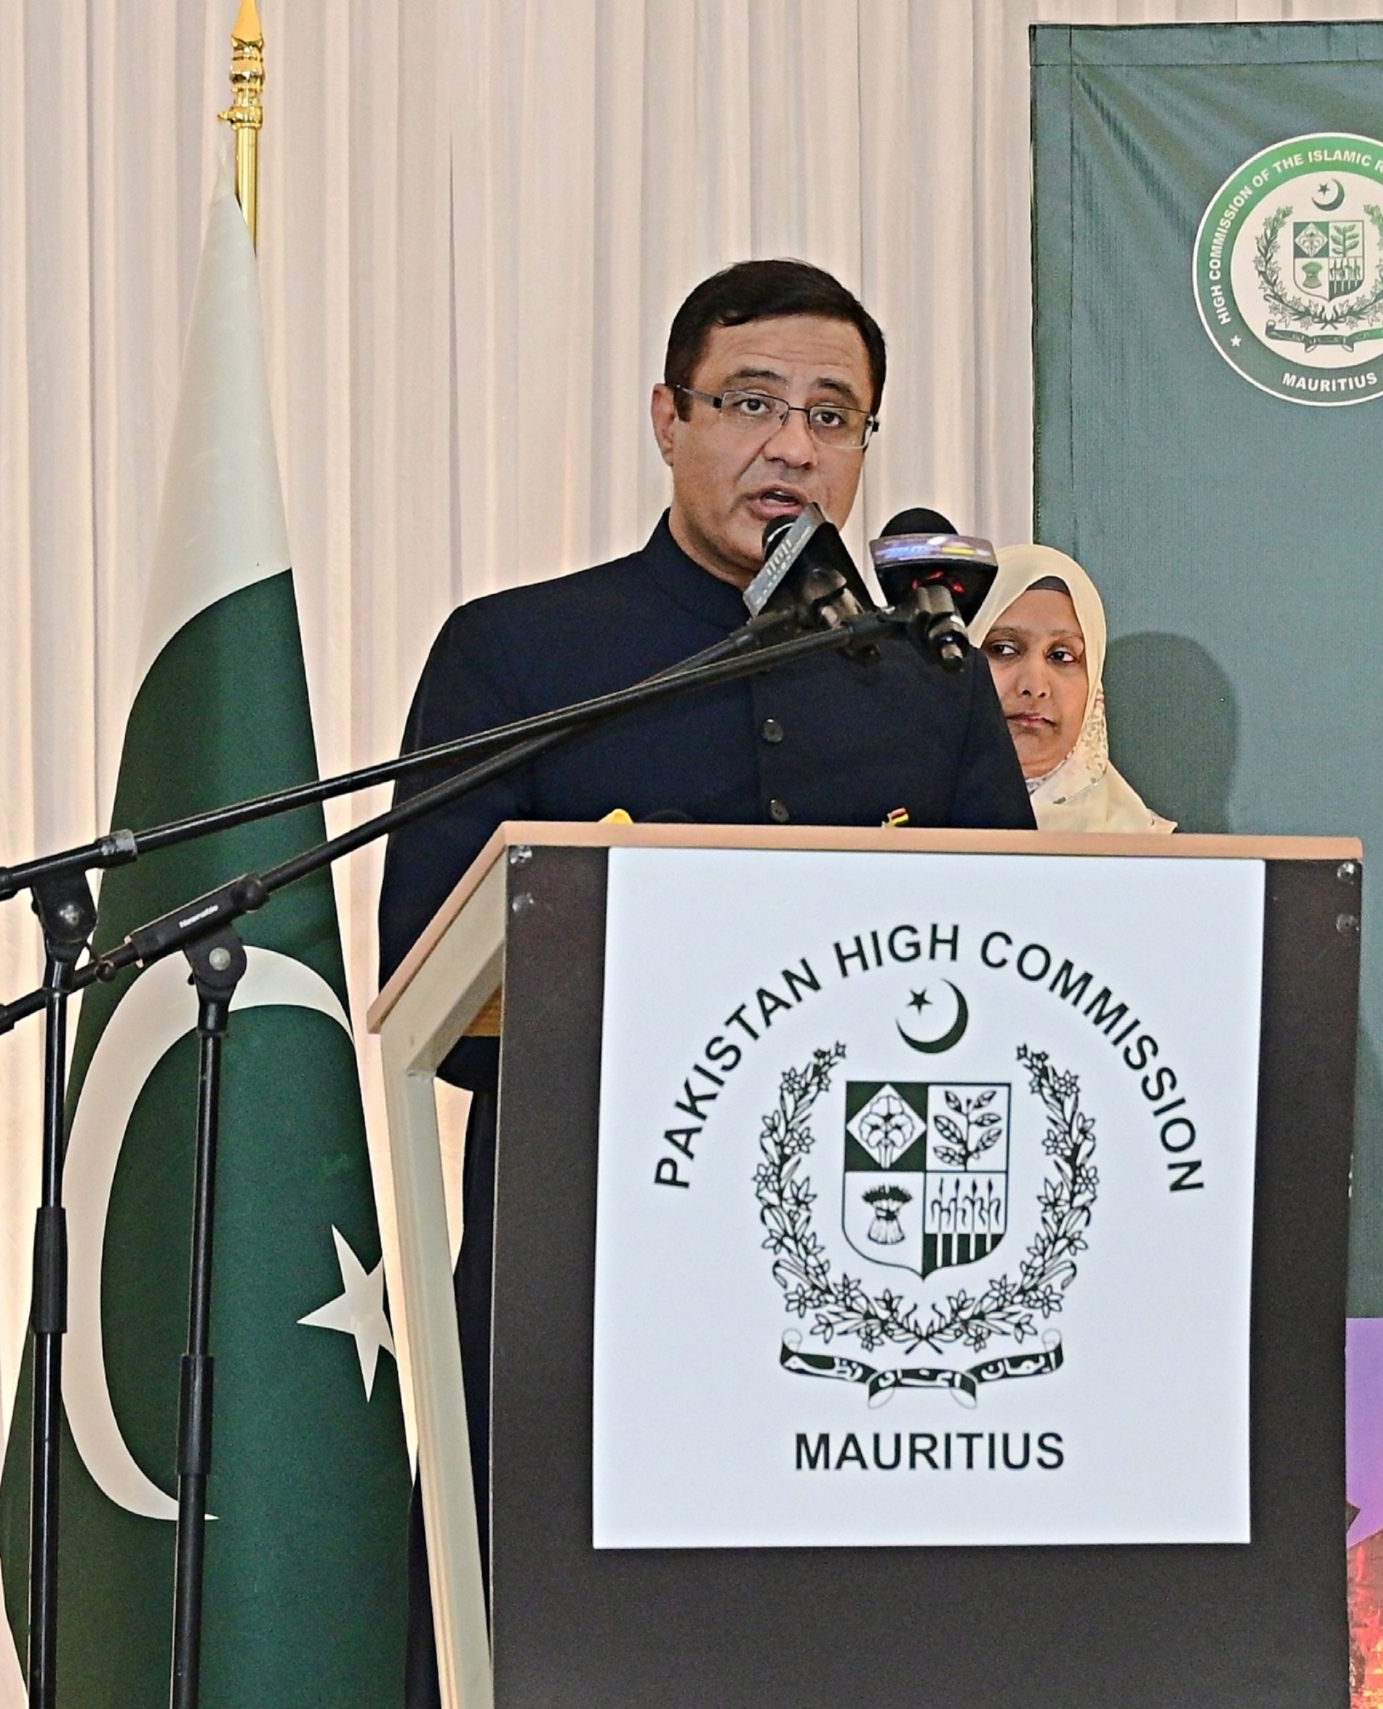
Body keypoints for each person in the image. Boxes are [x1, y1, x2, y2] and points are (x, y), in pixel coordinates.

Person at [376, 259, 1033, 1704]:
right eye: (750, 403)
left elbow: (1015, 981)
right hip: (582, 1273)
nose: (792, 446)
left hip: (868, 1303)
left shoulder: (926, 675)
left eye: (833, 416)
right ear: (668, 418)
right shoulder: (525, 651)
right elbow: (426, 985)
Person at [969, 544, 1176, 834]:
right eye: (1003, 649)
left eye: (1061, 656)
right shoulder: (907, 828)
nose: (1034, 687)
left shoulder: (1149, 851)